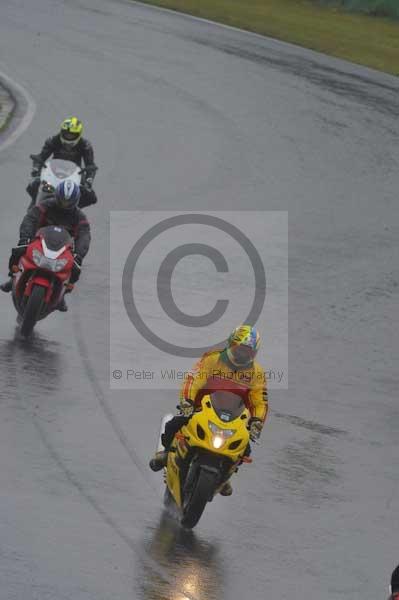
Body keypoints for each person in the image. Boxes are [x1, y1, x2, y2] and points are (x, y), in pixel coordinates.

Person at [149, 325, 269, 496]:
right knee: (174, 424)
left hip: (234, 418)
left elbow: (260, 402)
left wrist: (257, 422)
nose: (243, 354)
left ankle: (226, 477)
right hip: (200, 409)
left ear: (254, 353)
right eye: (240, 349)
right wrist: (187, 401)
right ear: (231, 344)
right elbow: (194, 380)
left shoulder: (257, 373)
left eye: (248, 352)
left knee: (245, 448)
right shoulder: (213, 359)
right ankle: (165, 453)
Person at [1, 181, 91, 311]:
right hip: (38, 239)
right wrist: (25, 238)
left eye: (68, 202)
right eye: (62, 201)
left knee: (75, 269)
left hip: (63, 247)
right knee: (18, 251)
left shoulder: (80, 216)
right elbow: (30, 219)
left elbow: (84, 236)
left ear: (75, 201)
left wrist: (79, 255)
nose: (65, 205)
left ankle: (61, 296)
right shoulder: (46, 205)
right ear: (57, 196)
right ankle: (12, 278)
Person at [27, 117, 98, 209]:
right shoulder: (53, 140)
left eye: (72, 135)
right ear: (61, 132)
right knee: (34, 185)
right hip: (52, 173)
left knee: (91, 197)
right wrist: (35, 170)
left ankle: (76, 212)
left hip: (74, 176)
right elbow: (41, 156)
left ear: (78, 134)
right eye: (66, 134)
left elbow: (90, 165)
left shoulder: (85, 145)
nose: (68, 137)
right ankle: (33, 207)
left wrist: (89, 181)